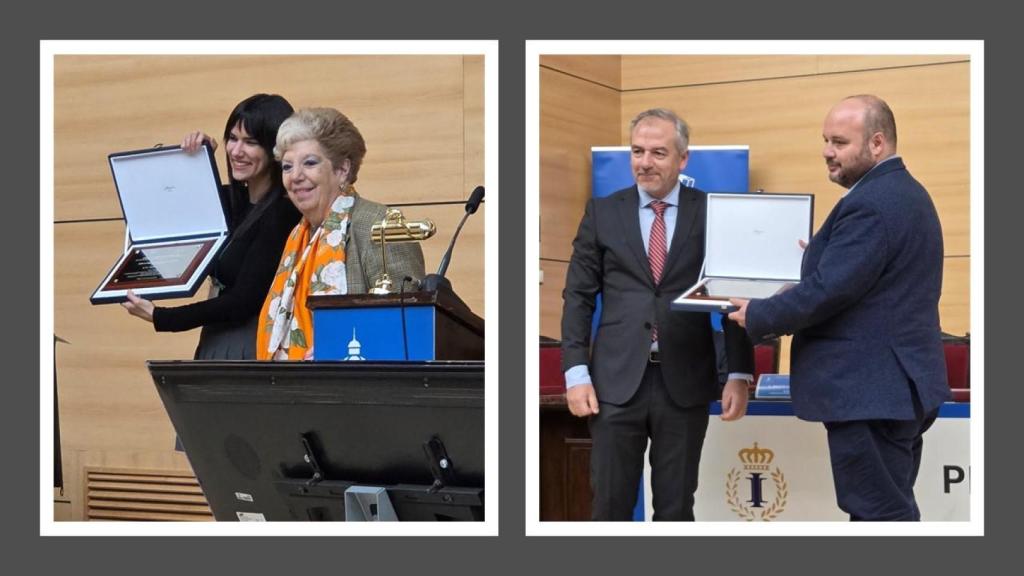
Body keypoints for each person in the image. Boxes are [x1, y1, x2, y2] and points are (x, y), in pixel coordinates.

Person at [728, 95, 951, 521]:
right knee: (884, 511)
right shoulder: (904, 193)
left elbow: (830, 291)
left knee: (880, 517)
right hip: (893, 389)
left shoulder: (870, 204)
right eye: (825, 140)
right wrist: (817, 261)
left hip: (870, 392)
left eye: (839, 142)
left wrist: (758, 314)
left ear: (878, 143)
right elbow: (865, 282)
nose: (827, 152)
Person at [561, 108, 754, 521]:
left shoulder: (714, 211)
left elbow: (734, 296)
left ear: (683, 159)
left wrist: (738, 371)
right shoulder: (602, 211)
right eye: (637, 151)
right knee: (610, 506)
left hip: (683, 382)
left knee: (676, 509)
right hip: (614, 384)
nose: (645, 162)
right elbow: (577, 296)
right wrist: (575, 372)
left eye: (658, 153)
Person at [121, 94, 301, 359]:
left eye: (250, 142)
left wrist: (162, 317)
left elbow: (242, 302)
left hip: (252, 345)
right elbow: (171, 216)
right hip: (216, 339)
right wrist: (199, 162)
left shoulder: (282, 212)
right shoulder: (230, 201)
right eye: (232, 138)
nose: (236, 151)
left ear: (275, 150)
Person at [257, 107, 425, 360]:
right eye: (287, 167)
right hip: (291, 388)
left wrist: (336, 346)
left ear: (342, 169)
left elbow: (407, 319)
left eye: (310, 163)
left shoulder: (378, 223)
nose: (296, 177)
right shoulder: (297, 236)